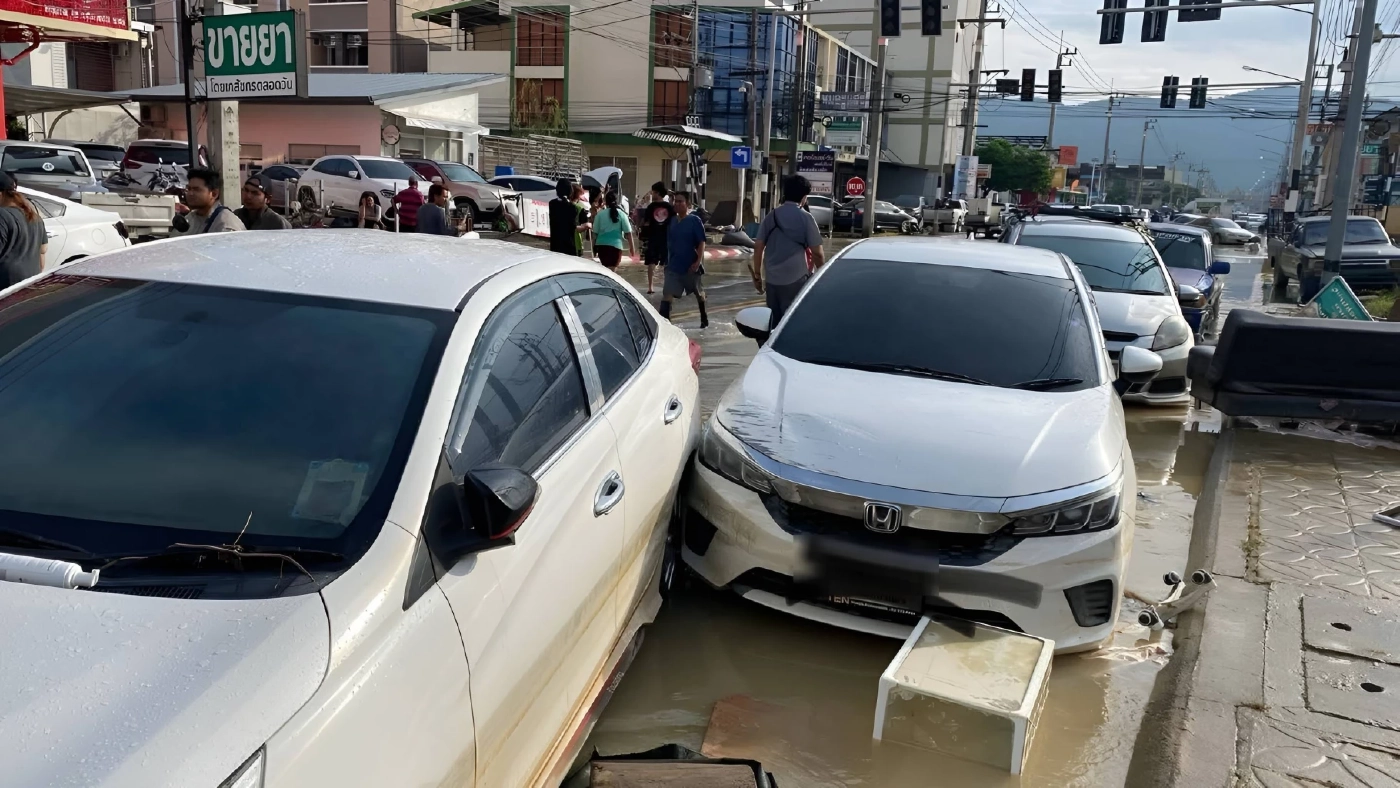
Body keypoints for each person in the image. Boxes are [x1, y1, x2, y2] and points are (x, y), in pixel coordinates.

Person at [753, 174, 826, 328]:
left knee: (774, 325)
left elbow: (758, 247)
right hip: (797, 278)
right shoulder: (806, 218)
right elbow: (818, 253)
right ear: (804, 197)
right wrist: (823, 276)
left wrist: (758, 276)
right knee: (793, 323)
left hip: (772, 278)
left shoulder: (771, 216)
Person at [660, 190, 708, 328]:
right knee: (667, 295)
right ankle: (666, 325)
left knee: (699, 294)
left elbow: (701, 242)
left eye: (681, 201)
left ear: (688, 204)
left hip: (690, 265)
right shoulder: (673, 221)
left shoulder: (694, 221)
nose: (678, 204)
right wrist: (666, 262)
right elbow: (670, 243)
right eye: (676, 201)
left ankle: (704, 317)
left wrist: (698, 261)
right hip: (674, 265)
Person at [0, 172, 46, 286]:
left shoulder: (2, 216)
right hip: (28, 287)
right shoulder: (34, 216)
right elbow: (43, 250)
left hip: (5, 288)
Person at [176, 168, 244, 234]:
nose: (190, 193)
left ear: (214, 194)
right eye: (189, 189)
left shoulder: (225, 224)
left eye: (196, 190)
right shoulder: (192, 216)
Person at [640, 182, 674, 294]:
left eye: (653, 192)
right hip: (666, 238)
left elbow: (645, 222)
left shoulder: (651, 207)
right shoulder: (669, 207)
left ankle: (651, 287)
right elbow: (673, 222)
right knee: (666, 263)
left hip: (653, 238)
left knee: (651, 262)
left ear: (658, 193)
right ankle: (667, 285)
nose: (652, 194)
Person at [592, 190, 637, 270]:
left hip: (602, 247)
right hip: (616, 247)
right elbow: (628, 233)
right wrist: (632, 249)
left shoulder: (600, 214)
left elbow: (594, 234)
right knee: (612, 272)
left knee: (605, 271)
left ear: (605, 201)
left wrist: (594, 249)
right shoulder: (622, 214)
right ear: (617, 201)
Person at [548, 178, 589, 256]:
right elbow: (573, 227)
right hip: (569, 246)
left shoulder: (552, 204)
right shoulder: (573, 208)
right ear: (570, 191)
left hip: (555, 245)